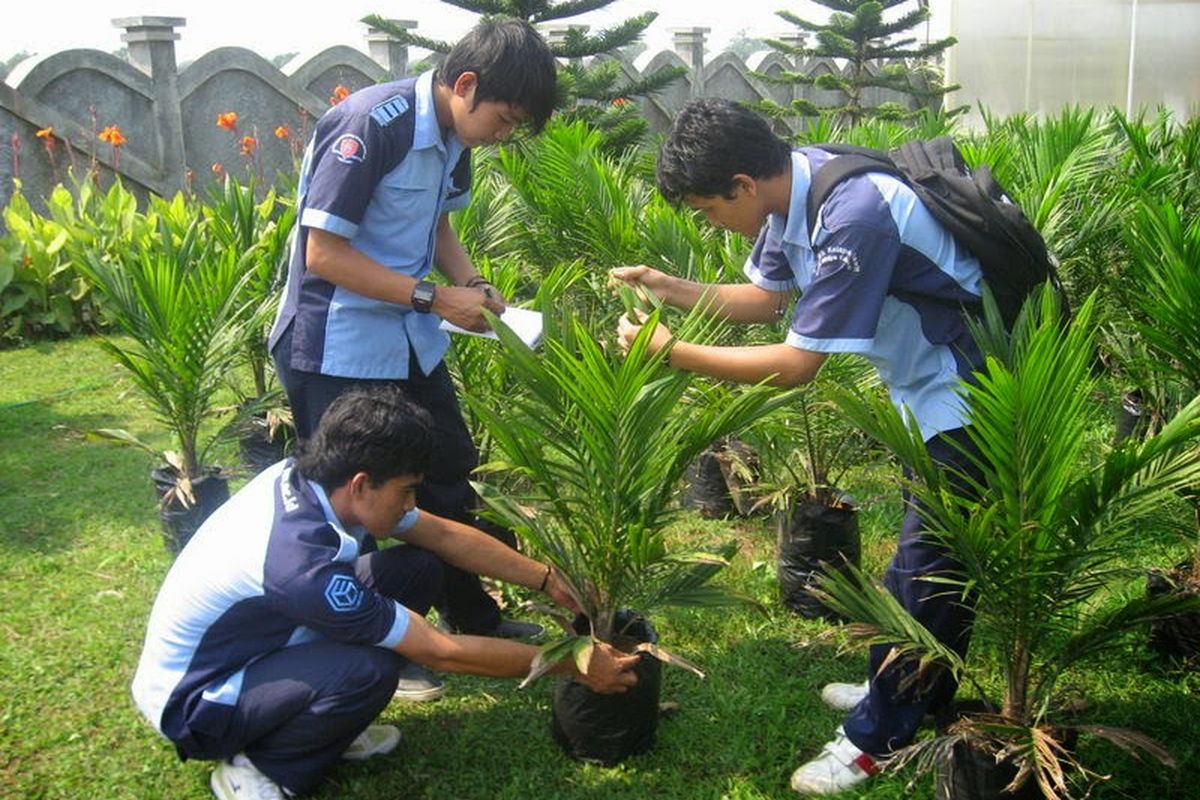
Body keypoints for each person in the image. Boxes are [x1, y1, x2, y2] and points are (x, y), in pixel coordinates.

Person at [611, 98, 987, 796]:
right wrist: (672, 288)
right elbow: (764, 298)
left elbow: (796, 364)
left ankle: (876, 737)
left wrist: (673, 353)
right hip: (924, 395)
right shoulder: (792, 194)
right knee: (930, 561)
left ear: (744, 185)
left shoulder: (855, 214)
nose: (709, 221)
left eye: (707, 208)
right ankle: (905, 690)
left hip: (974, 395)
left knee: (920, 573)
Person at [131, 385, 638, 800]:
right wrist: (572, 664)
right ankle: (258, 770)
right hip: (195, 703)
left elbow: (440, 535)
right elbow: (440, 651)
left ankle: (317, 721)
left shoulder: (311, 482)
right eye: (407, 491)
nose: (411, 503)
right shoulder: (300, 562)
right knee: (369, 670)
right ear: (360, 484)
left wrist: (549, 579)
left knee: (417, 568)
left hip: (255, 643)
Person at [267, 17, 557, 698]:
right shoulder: (373, 124)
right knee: (355, 505)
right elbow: (324, 255)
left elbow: (436, 222)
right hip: (335, 345)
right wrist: (432, 298)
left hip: (408, 340)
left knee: (450, 475)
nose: (503, 135)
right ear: (465, 85)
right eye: (506, 119)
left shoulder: (457, 135)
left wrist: (474, 285)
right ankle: (378, 650)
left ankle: (472, 614)